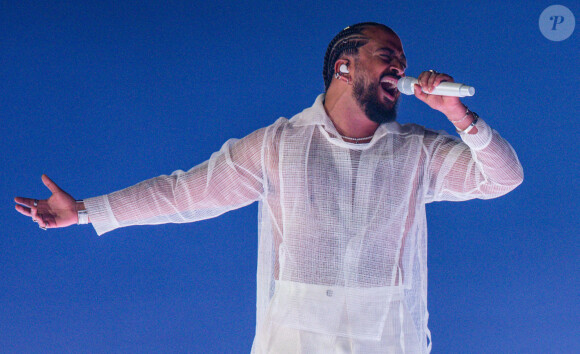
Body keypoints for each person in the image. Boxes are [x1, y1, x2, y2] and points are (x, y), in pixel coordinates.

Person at [15, 22, 523, 353]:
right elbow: (185, 194)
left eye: (403, 61)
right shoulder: (279, 146)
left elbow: (503, 178)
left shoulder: (419, 152)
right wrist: (84, 211)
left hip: (390, 338)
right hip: (294, 340)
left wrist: (459, 115)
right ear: (344, 67)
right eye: (387, 55)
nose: (401, 68)